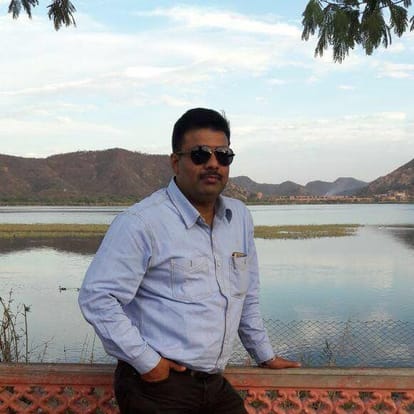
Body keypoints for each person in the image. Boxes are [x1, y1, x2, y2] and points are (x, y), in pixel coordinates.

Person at [78, 108, 300, 414]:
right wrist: (148, 362)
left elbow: (246, 295)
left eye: (223, 155)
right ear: (175, 161)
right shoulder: (142, 222)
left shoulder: (239, 218)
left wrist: (264, 354)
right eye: (200, 154)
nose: (213, 163)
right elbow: (97, 297)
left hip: (213, 383)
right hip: (158, 387)